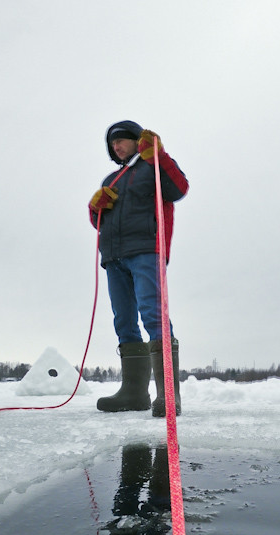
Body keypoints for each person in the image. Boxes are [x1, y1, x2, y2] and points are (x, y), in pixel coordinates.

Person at [88, 120, 188, 416]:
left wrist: (159, 155)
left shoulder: (153, 167)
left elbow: (179, 188)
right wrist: (95, 209)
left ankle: (168, 395)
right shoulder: (112, 178)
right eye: (112, 144)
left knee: (153, 313)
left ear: (137, 140)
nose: (116, 146)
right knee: (124, 320)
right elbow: (99, 224)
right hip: (113, 256)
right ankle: (133, 394)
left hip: (146, 250)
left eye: (121, 140)